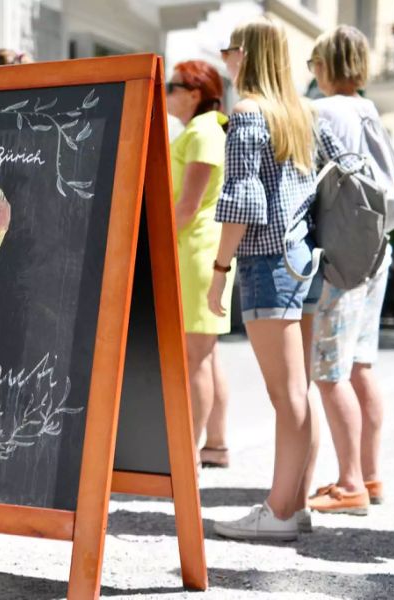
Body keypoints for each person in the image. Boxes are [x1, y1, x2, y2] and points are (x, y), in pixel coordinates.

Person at [207, 18, 342, 541]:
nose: (225, 57)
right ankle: (296, 504)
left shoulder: (247, 113)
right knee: (298, 392)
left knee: (286, 396)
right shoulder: (300, 115)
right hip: (305, 259)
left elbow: (243, 198)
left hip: (268, 262)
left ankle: (280, 511)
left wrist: (220, 271)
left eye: (229, 49)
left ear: (247, 54)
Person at [306, 25, 394, 515]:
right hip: (375, 248)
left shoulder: (324, 112)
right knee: (361, 366)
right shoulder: (369, 111)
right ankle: (372, 475)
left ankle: (348, 484)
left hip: (342, 255)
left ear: (323, 65)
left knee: (328, 368)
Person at [166, 60, 234, 468]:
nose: (166, 92)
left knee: (196, 357)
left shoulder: (203, 132)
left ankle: (187, 453)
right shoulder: (203, 130)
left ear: (194, 93)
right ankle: (216, 444)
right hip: (200, 249)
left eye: (172, 86)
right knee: (206, 354)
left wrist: (152, 242)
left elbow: (187, 206)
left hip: (195, 250)